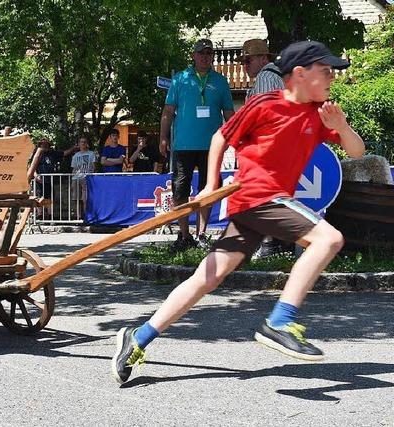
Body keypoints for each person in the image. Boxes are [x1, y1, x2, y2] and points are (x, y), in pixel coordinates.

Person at [111, 41, 365, 385]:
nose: (332, 77)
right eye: (326, 71)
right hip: (260, 197)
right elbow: (220, 136)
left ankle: (137, 338)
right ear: (301, 75)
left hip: (258, 208)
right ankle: (280, 321)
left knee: (207, 278)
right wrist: (210, 184)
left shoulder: (317, 114)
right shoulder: (264, 104)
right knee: (329, 239)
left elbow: (357, 152)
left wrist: (343, 125)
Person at [160, 39, 235, 252]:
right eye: (201, 53)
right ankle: (184, 235)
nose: (205, 57)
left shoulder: (220, 81)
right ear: (193, 55)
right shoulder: (180, 79)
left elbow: (229, 114)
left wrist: (236, 138)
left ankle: (201, 234)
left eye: (209, 53)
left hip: (212, 147)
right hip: (183, 145)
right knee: (180, 190)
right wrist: (163, 137)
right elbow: (168, 111)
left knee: (208, 190)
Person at [238, 38, 288, 259]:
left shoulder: (267, 77)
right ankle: (276, 242)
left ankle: (270, 244)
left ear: (261, 58)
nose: (244, 66)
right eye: (243, 62)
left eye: (247, 61)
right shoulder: (275, 77)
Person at [70, 136, 97, 216]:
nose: (83, 143)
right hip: (76, 178)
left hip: (87, 177)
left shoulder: (91, 154)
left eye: (84, 142)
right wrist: (72, 180)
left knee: (85, 198)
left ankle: (86, 215)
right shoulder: (75, 156)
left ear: (87, 143)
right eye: (81, 142)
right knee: (76, 198)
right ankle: (78, 216)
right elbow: (74, 168)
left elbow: (94, 166)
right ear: (79, 144)